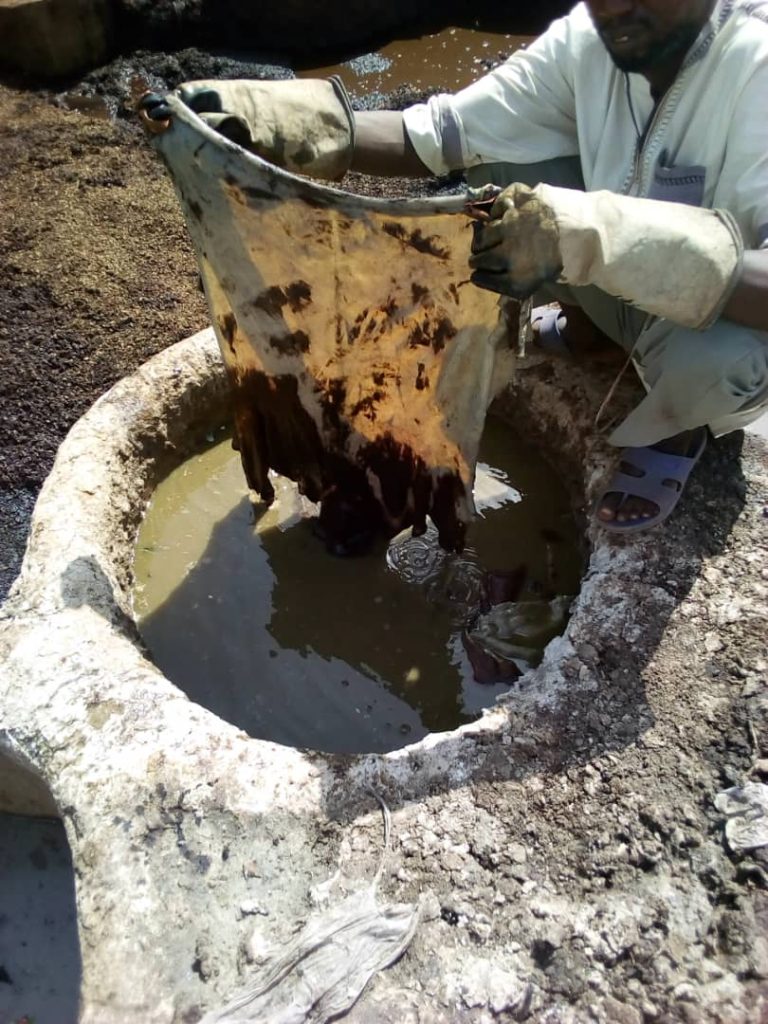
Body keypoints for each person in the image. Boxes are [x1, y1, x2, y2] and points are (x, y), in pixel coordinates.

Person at [141, 0, 768, 532]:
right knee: (497, 168)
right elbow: (447, 132)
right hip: (616, 283)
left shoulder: (755, 62)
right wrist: (288, 122)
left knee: (721, 360)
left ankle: (674, 427)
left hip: (721, 321)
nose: (617, 6)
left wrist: (592, 235)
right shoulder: (589, 37)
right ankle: (595, 332)